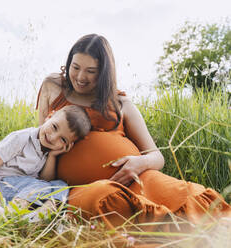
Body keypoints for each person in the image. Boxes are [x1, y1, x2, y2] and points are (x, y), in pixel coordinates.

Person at [36, 34, 231, 231]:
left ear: (103, 73)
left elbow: (157, 156)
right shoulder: (53, 87)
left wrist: (140, 163)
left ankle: (218, 233)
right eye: (75, 67)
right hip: (83, 190)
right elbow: (38, 145)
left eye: (91, 71)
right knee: (107, 198)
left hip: (139, 179)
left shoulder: (121, 104)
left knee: (184, 195)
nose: (80, 77)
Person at [0, 105, 91, 214]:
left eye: (63, 140)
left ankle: (47, 210)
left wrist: (52, 156)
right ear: (49, 116)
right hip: (1, 186)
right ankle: (16, 209)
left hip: (25, 188)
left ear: (68, 146)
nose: (53, 138)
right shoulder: (22, 138)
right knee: (40, 186)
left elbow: (46, 179)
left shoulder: (47, 150)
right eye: (54, 127)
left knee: (61, 185)